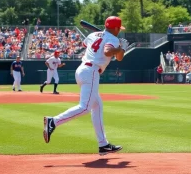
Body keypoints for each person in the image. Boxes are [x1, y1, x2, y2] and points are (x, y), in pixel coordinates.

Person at [43, 16, 129, 155]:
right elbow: (107, 52)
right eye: (119, 28)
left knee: (97, 106)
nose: (119, 31)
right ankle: (53, 122)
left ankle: (103, 145)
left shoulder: (93, 35)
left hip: (83, 70)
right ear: (115, 28)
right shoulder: (113, 39)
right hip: (92, 71)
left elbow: (113, 54)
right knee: (85, 107)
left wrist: (120, 49)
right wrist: (119, 47)